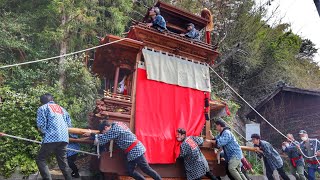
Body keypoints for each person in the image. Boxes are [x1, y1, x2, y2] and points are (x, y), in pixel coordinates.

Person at [84, 121, 161, 180]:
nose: (104, 133)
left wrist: (91, 134)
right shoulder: (117, 124)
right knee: (130, 171)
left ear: (106, 127)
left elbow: (104, 138)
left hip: (136, 150)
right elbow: (106, 135)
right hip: (131, 152)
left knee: (146, 168)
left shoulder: (115, 129)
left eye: (103, 131)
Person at [36, 93, 72, 180]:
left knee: (40, 159)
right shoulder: (62, 109)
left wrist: (45, 133)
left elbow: (41, 125)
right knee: (63, 162)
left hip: (52, 137)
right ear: (52, 100)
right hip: (64, 138)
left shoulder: (43, 108)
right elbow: (69, 124)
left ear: (42, 102)